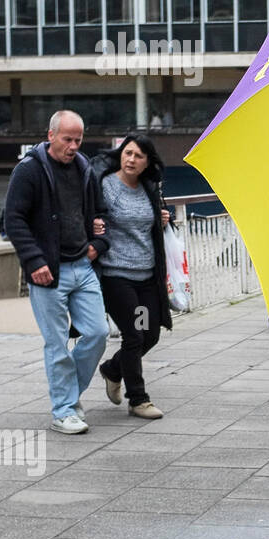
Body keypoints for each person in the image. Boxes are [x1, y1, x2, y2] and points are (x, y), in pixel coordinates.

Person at [5, 111, 110, 435]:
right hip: (48, 272)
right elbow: (13, 220)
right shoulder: (29, 170)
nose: (74, 146)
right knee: (56, 344)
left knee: (97, 333)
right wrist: (34, 262)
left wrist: (98, 243)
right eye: (68, 139)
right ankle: (63, 410)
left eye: (79, 140)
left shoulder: (84, 169)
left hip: (82, 265)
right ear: (50, 135)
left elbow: (101, 213)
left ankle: (68, 398)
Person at [91, 134, 172, 420]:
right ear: (120, 154)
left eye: (138, 156)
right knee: (134, 335)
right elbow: (92, 215)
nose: (131, 160)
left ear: (147, 162)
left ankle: (113, 370)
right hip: (116, 275)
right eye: (127, 153)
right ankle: (138, 399)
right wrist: (94, 225)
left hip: (147, 275)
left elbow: (148, 225)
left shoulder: (149, 187)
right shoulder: (106, 186)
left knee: (150, 334)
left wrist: (163, 218)